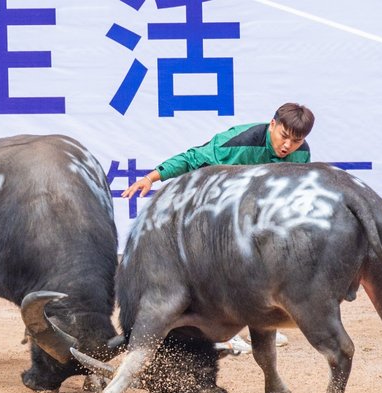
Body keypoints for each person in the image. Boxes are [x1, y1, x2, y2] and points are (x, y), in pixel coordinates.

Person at [122, 102, 315, 353]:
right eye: (284, 136)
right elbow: (193, 159)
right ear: (273, 125)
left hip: (254, 211)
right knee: (224, 269)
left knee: (270, 263)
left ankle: (263, 324)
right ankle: (225, 332)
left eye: (297, 141)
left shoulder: (302, 154)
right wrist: (151, 177)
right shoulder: (238, 144)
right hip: (213, 206)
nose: (288, 146)